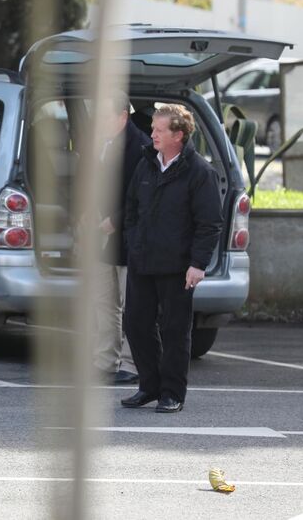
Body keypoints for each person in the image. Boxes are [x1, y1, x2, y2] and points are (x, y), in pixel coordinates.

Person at [121, 103, 222, 413]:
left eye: (159, 130)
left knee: (175, 330)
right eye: (153, 129)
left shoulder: (200, 172)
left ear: (178, 135)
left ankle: (172, 393)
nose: (152, 134)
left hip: (178, 266)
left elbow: (210, 224)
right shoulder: (146, 164)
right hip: (143, 260)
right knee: (135, 324)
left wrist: (198, 264)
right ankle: (149, 386)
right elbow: (132, 210)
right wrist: (134, 242)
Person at [92, 96, 151, 386]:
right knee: (105, 302)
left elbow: (143, 195)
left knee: (133, 305)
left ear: (122, 116)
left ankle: (131, 362)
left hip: (131, 238)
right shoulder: (102, 144)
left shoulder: (140, 146)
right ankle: (106, 360)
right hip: (106, 238)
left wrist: (114, 220)